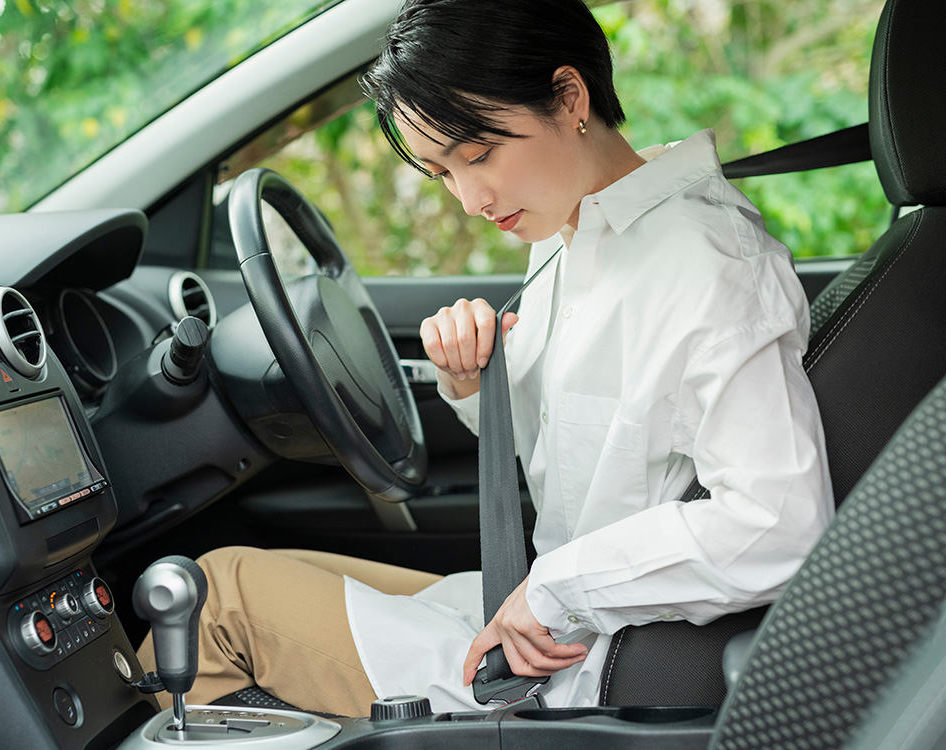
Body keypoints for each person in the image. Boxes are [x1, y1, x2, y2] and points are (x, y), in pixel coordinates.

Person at [137, 0, 834, 716]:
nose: (470, 198)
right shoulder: (574, 233)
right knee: (224, 574)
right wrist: (473, 385)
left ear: (569, 98)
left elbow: (779, 522)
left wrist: (553, 589)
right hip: (549, 609)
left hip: (581, 660)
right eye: (441, 173)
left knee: (210, 604)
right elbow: (582, 451)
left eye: (478, 154)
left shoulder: (708, 265)